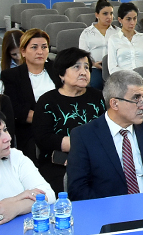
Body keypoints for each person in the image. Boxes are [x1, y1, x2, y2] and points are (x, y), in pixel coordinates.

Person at [67, 69, 143, 199]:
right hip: (109, 215)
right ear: (114, 103)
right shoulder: (84, 136)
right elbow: (77, 190)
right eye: (136, 98)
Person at [32, 48, 104, 194]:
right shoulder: (47, 101)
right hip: (58, 161)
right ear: (61, 74)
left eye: (86, 67)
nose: (83, 72)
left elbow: (105, 129)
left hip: (95, 159)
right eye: (76, 67)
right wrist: (80, 145)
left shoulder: (97, 96)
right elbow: (43, 138)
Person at [0, 29, 61, 156]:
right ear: (23, 51)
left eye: (44, 47)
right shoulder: (11, 75)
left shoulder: (57, 70)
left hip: (61, 125)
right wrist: (48, 120)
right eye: (34, 47)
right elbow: (16, 109)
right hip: (31, 130)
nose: (40, 52)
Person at [106, 2, 143, 73]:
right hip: (123, 79)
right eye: (128, 19)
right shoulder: (113, 39)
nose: (132, 22)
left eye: (134, 18)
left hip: (142, 78)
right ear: (120, 20)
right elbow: (112, 67)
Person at [79, 0, 116, 88]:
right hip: (94, 67)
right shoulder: (87, 32)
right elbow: (83, 54)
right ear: (97, 15)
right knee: (96, 83)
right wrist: (94, 63)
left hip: (114, 67)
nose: (109, 17)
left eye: (111, 13)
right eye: (105, 14)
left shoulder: (117, 32)